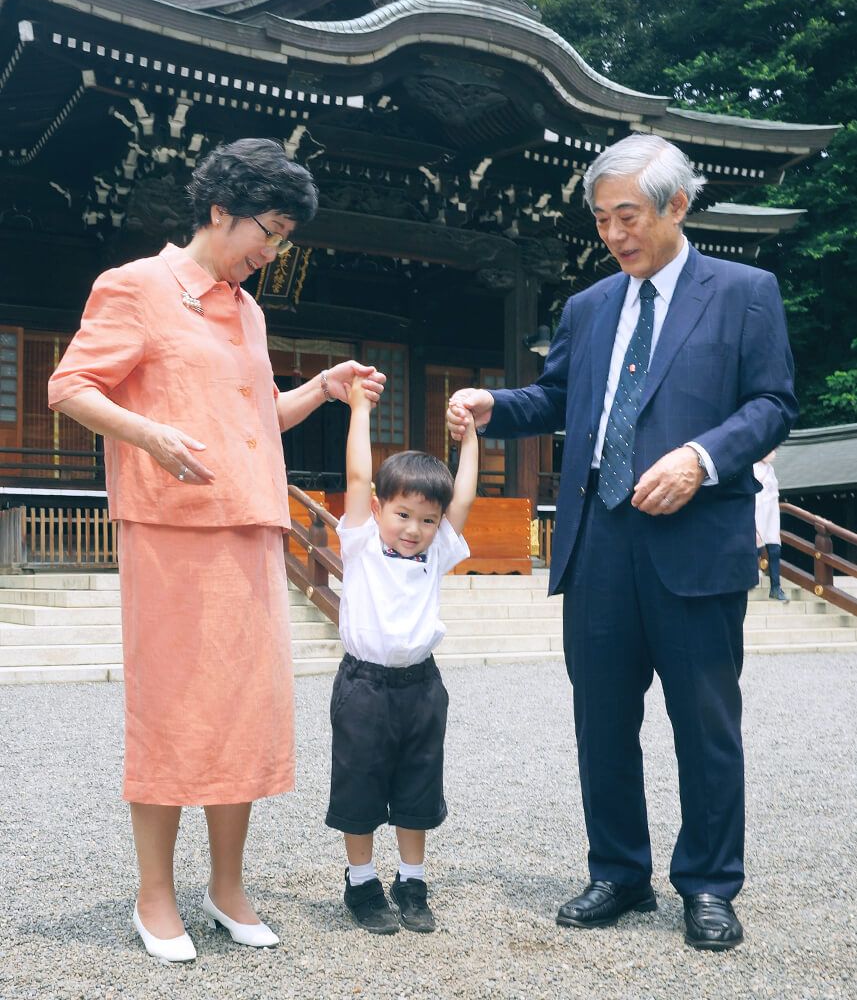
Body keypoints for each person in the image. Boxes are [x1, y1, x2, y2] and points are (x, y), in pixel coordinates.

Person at [447, 134, 798, 951]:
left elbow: (773, 402)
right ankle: (617, 871)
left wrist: (701, 456)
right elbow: (558, 398)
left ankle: (709, 884)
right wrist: (493, 406)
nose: (613, 234)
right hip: (597, 536)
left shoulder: (745, 292)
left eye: (627, 215)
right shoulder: (590, 307)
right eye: (602, 219)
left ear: (675, 205)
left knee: (703, 724)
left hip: (694, 537)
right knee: (600, 720)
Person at [47, 138, 385, 964]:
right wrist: (148, 432)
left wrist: (321, 389)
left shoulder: (249, 309)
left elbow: (254, 418)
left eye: (281, 240)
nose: (269, 253)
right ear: (218, 211)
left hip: (250, 526)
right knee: (172, 714)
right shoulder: (136, 285)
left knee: (243, 716)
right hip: (171, 532)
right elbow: (69, 386)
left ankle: (226, 886)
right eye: (265, 232)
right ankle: (154, 894)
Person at [325, 378, 478, 935]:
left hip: (421, 687)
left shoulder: (435, 553)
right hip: (364, 686)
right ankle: (361, 880)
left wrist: (471, 440)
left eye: (427, 519)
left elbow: (461, 498)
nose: (415, 529)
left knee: (418, 784)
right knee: (360, 784)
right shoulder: (362, 543)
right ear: (379, 509)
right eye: (403, 514)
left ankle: (411, 879)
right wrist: (362, 408)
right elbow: (360, 476)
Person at [754, 451, 788, 602]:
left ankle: (775, 587)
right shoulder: (752, 468)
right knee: (754, 548)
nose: (773, 453)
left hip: (771, 513)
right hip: (756, 511)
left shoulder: (770, 469)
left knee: (774, 550)